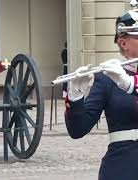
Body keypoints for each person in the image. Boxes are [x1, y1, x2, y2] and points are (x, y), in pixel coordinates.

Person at [64, 3, 138, 180]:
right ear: (123, 42)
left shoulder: (124, 80)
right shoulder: (106, 79)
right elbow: (78, 129)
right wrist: (76, 96)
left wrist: (129, 84)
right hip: (123, 163)